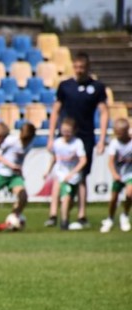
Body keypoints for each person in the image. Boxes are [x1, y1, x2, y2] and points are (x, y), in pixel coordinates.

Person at [46, 52, 109, 227]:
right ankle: (53, 214)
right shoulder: (65, 86)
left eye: (82, 67)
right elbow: (55, 111)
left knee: (82, 176)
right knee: (59, 174)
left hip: (86, 136)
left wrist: (102, 139)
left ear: (88, 67)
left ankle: (82, 215)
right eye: (76, 67)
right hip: (65, 135)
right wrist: (50, 137)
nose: (79, 70)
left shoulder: (97, 87)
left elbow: (104, 112)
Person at [45, 117, 88, 231]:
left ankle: (64, 216)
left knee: (70, 200)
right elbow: (54, 158)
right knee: (65, 197)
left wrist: (73, 173)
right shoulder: (57, 142)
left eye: (69, 131)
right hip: (61, 175)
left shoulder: (77, 143)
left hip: (73, 177)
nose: (66, 133)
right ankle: (63, 222)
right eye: (64, 131)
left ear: (74, 131)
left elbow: (83, 160)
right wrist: (48, 171)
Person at [101, 117, 132, 233]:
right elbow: (110, 162)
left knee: (130, 194)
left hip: (130, 173)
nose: (118, 135)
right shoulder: (114, 144)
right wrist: (114, 174)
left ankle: (125, 215)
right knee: (114, 198)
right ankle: (110, 218)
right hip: (118, 174)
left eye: (121, 133)